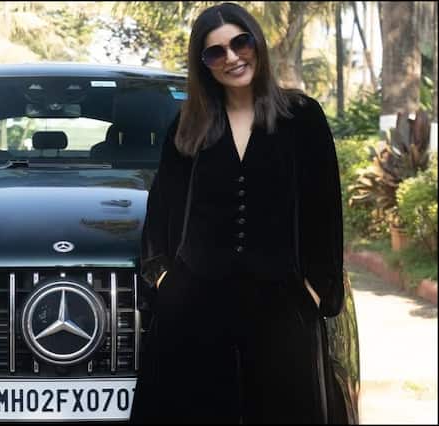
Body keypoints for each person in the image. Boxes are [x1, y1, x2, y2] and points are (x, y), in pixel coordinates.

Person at [130, 2, 344, 424]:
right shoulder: (188, 125)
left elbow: (324, 210)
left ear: (256, 43)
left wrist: (317, 288)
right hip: (194, 302)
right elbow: (162, 210)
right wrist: (163, 277)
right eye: (216, 52)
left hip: (281, 302)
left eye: (240, 43)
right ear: (204, 64)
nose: (232, 57)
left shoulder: (302, 118)